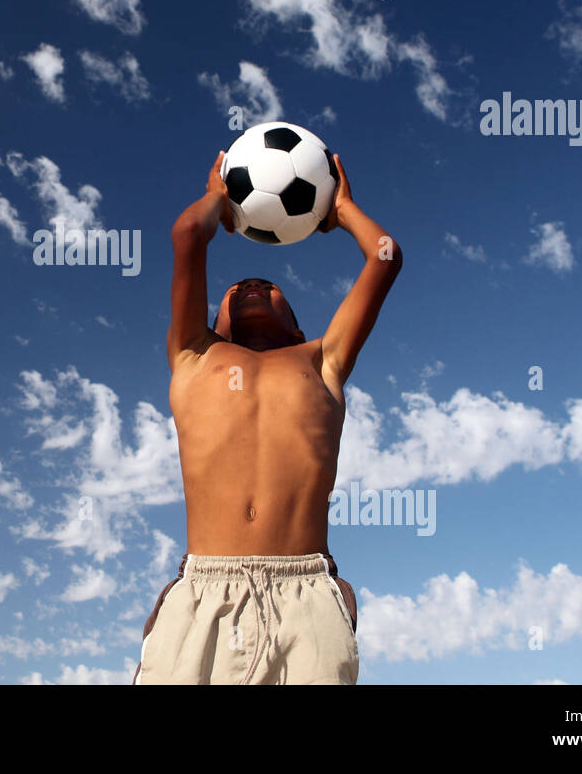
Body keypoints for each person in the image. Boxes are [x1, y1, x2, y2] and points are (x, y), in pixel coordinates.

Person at [133, 149, 402, 684]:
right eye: (236, 289)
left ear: (300, 329)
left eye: (270, 287)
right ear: (212, 320)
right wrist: (218, 198)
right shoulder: (194, 354)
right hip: (204, 591)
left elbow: (386, 256)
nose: (251, 286)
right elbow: (188, 234)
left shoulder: (321, 361)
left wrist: (342, 207)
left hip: (305, 595)